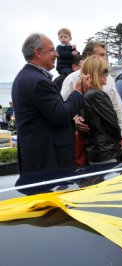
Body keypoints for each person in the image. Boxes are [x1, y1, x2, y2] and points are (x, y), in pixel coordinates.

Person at [11, 33, 88, 176]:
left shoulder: (26, 77)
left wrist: (74, 119)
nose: (57, 54)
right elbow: (60, 115)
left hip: (37, 157)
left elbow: (47, 115)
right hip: (48, 159)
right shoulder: (38, 81)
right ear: (37, 52)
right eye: (52, 50)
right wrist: (78, 91)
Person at [61, 41, 122, 146]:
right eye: (101, 55)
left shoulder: (109, 79)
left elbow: (117, 107)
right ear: (88, 56)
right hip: (83, 140)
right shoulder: (71, 79)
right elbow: (63, 106)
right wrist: (74, 119)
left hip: (108, 140)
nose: (105, 58)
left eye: (105, 54)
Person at [81, 55, 122, 164]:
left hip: (96, 150)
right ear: (95, 72)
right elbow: (112, 122)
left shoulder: (85, 94)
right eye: (105, 71)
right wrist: (120, 138)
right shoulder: (97, 94)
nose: (107, 74)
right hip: (105, 151)